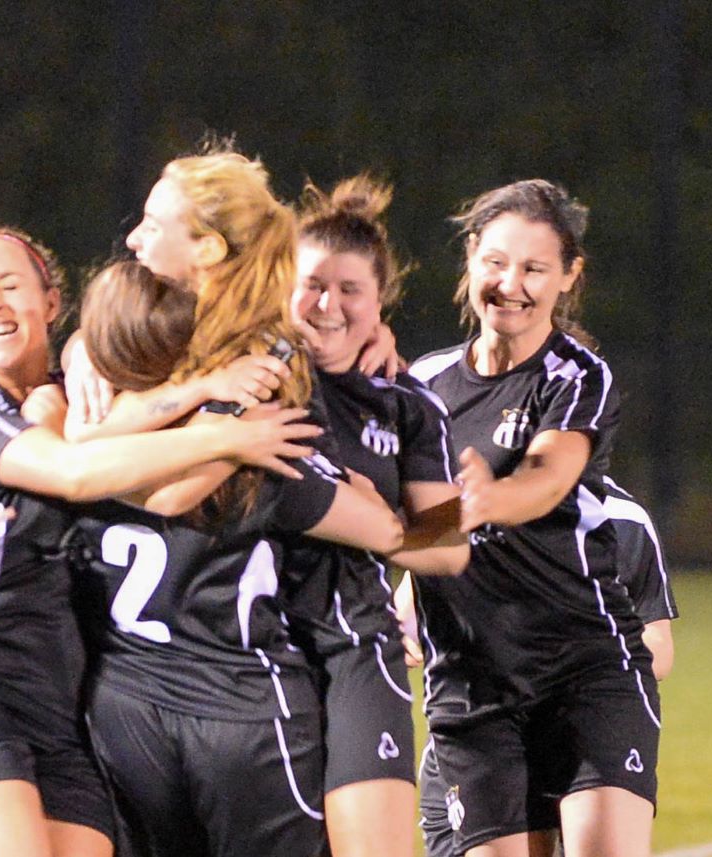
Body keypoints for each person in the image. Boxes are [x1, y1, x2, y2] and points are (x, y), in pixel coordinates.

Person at [0, 227, 323, 857]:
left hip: (68, 718)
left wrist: (86, 357)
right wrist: (223, 427)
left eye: (11, 286)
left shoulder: (86, 406)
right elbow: (74, 472)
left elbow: (142, 464)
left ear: (52, 301)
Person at [66, 148, 406, 857]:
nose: (133, 237)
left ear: (209, 248)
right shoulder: (142, 334)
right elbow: (85, 440)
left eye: (154, 223)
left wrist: (88, 461)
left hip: (236, 689)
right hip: (139, 686)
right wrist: (184, 404)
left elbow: (170, 489)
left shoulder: (268, 351)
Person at [407, 179, 658, 857]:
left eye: (533, 268)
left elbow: (548, 476)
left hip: (584, 669)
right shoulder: (420, 387)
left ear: (569, 276)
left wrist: (487, 500)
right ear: (469, 258)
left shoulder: (576, 376)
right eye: (494, 261)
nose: (509, 284)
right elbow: (407, 521)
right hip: (471, 687)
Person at [277, 175, 467, 857]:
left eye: (350, 289)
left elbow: (448, 549)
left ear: (379, 300)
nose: (327, 303)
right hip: (250, 651)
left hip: (358, 648)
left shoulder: (407, 404)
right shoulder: (253, 375)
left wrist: (381, 520)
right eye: (312, 284)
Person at [406, 477, 678, 857]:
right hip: (477, 731)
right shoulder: (462, 507)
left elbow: (658, 643)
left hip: (577, 731)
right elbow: (406, 614)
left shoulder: (621, 517)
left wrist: (584, 654)